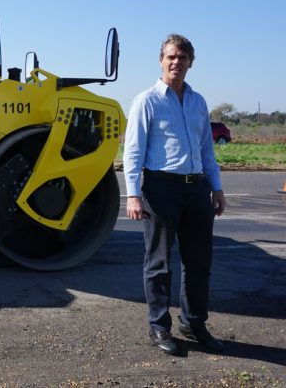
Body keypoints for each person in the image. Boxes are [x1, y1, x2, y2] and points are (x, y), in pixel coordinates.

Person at [123, 34, 227, 356]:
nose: (176, 62)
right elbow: (133, 151)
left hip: (197, 189)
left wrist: (217, 187)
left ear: (190, 62)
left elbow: (206, 150)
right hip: (161, 189)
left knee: (199, 262)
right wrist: (133, 194)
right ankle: (159, 326)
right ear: (160, 60)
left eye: (182, 58)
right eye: (170, 57)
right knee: (159, 262)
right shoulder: (147, 101)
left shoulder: (198, 102)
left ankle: (193, 322)